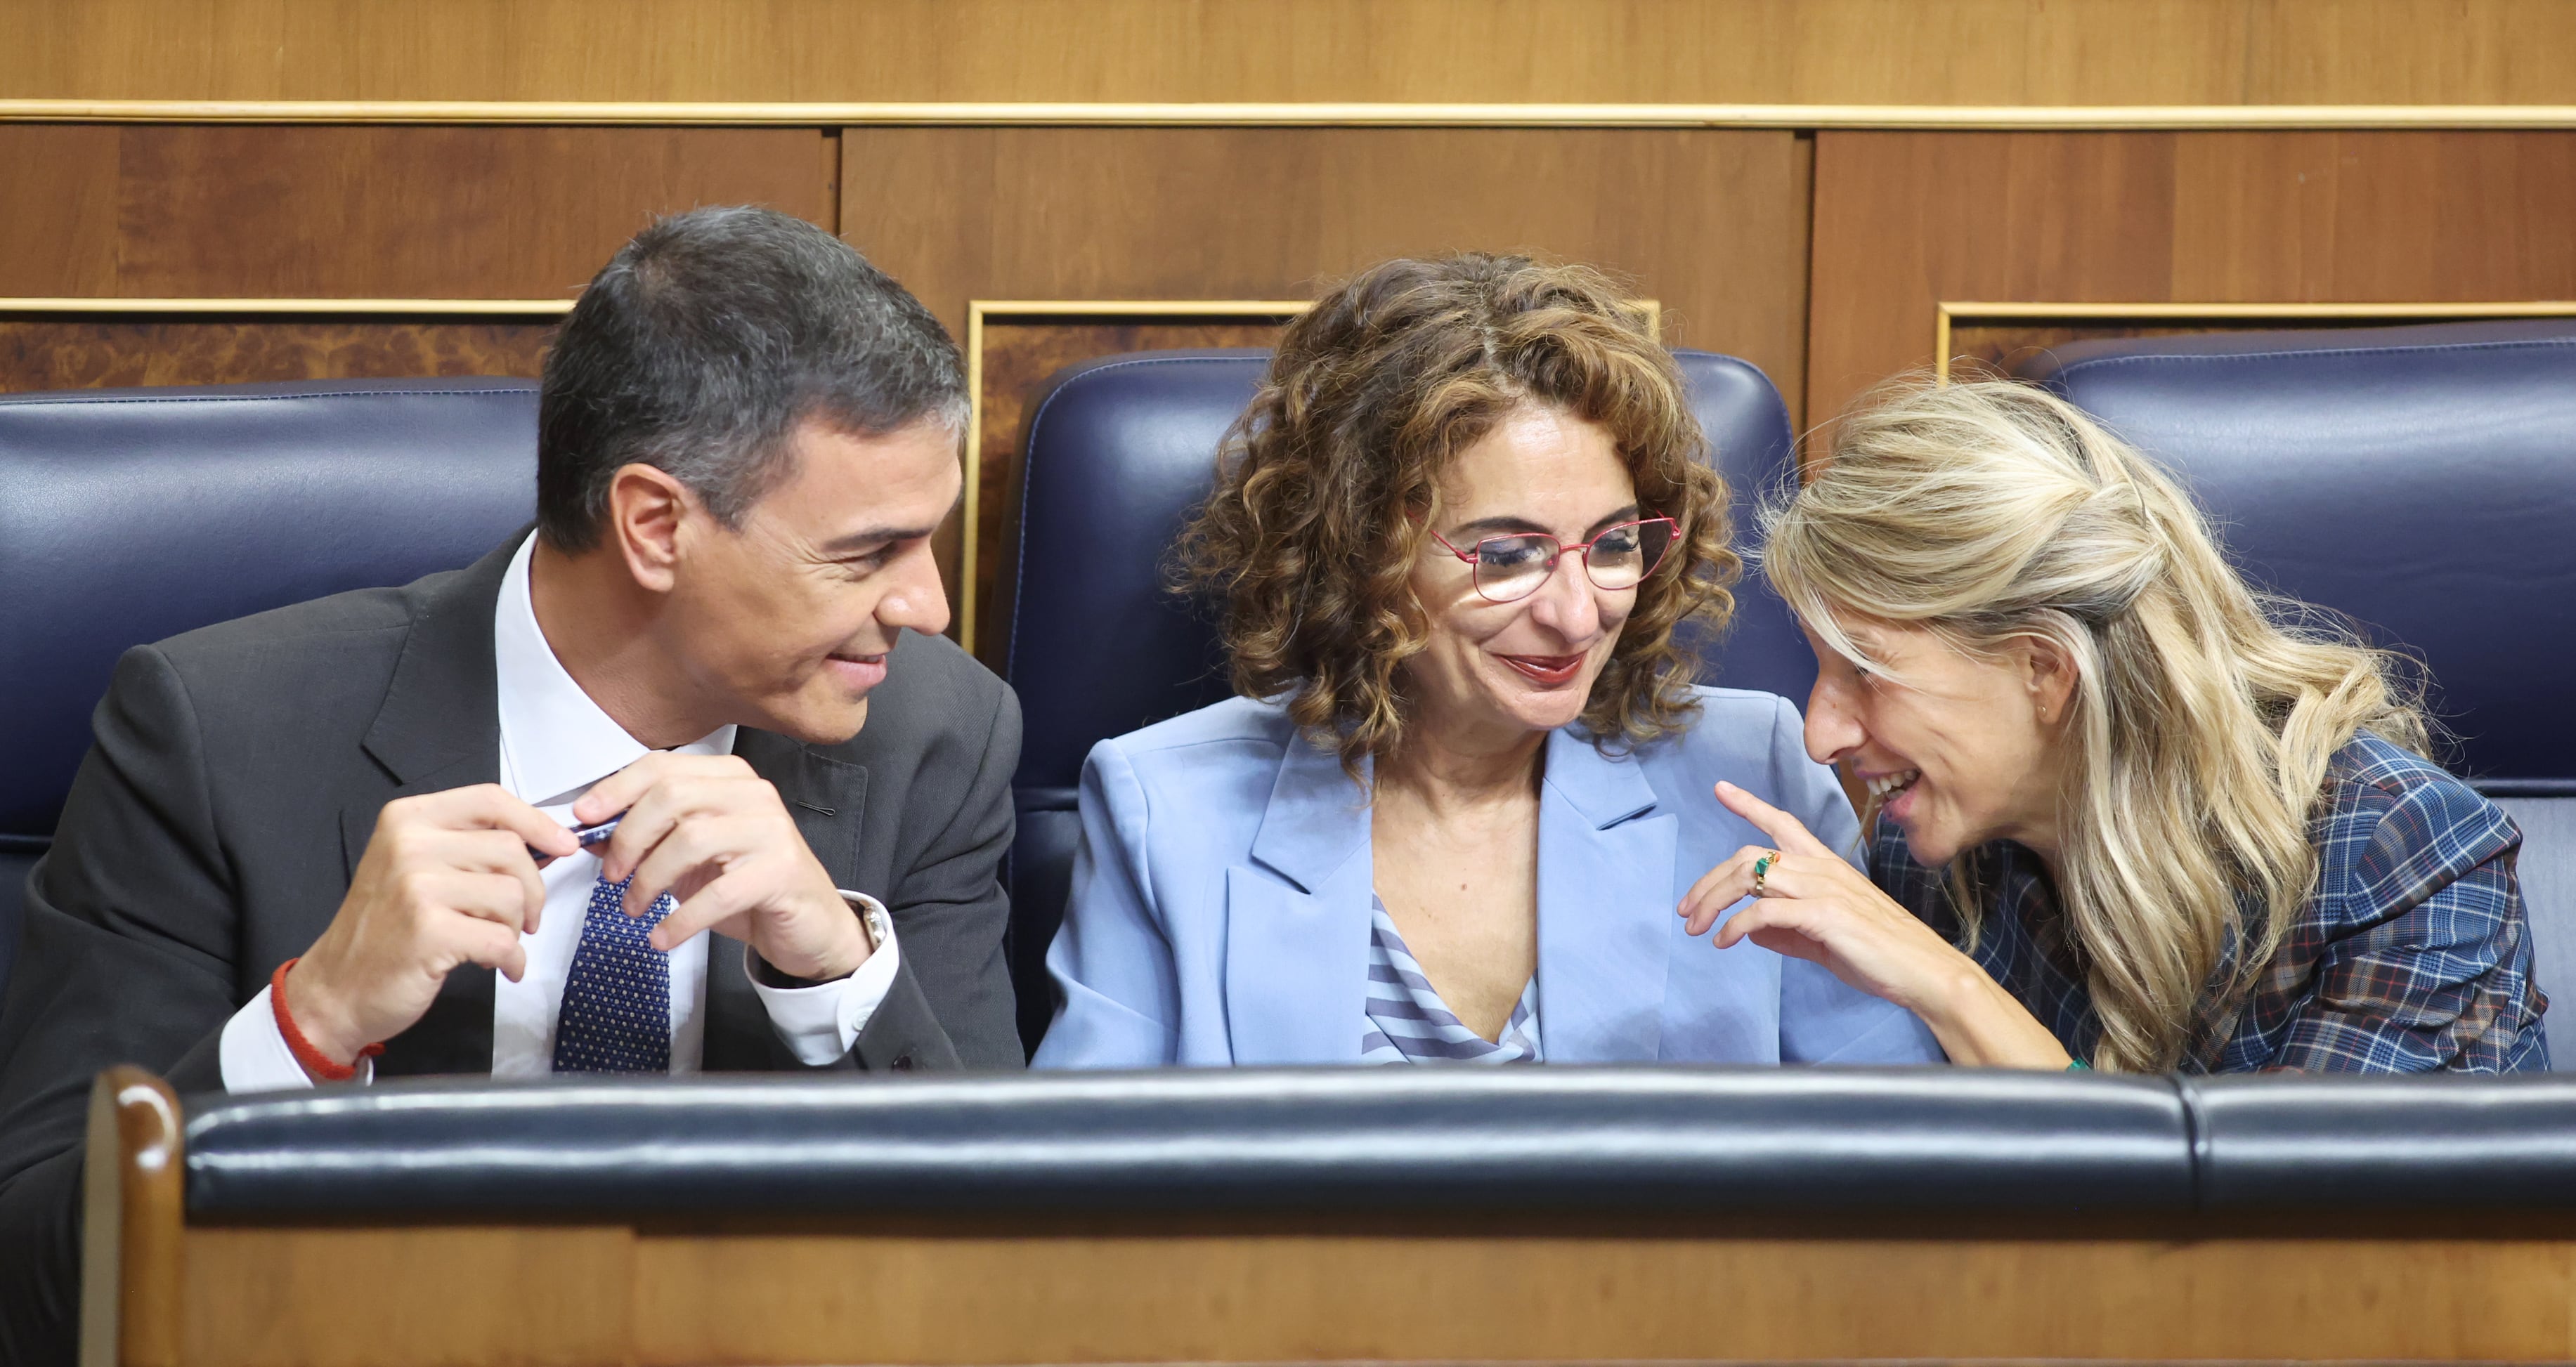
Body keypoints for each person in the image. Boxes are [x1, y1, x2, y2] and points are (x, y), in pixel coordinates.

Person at [0, 206, 1023, 1359]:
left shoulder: (934, 736)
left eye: (927, 544)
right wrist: (313, 1020)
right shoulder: (214, 734)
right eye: (865, 554)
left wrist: (836, 969)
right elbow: (34, 1288)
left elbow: (1008, 1283)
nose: (927, 609)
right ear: (653, 524)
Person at [1032, 254, 1939, 1068]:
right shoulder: (1165, 807)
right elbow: (1081, 1190)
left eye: (1613, 544)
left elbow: (1895, 1150)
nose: (1577, 613)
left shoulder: (1756, 773)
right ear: (1360, 550)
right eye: (1506, 556)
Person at [1679, 377, 2546, 1073]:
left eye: (1864, 672)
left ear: (2044, 669)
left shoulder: (2397, 855)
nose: (1820, 736)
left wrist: (1949, 988)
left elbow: (2288, 1268)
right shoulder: (1940, 856)